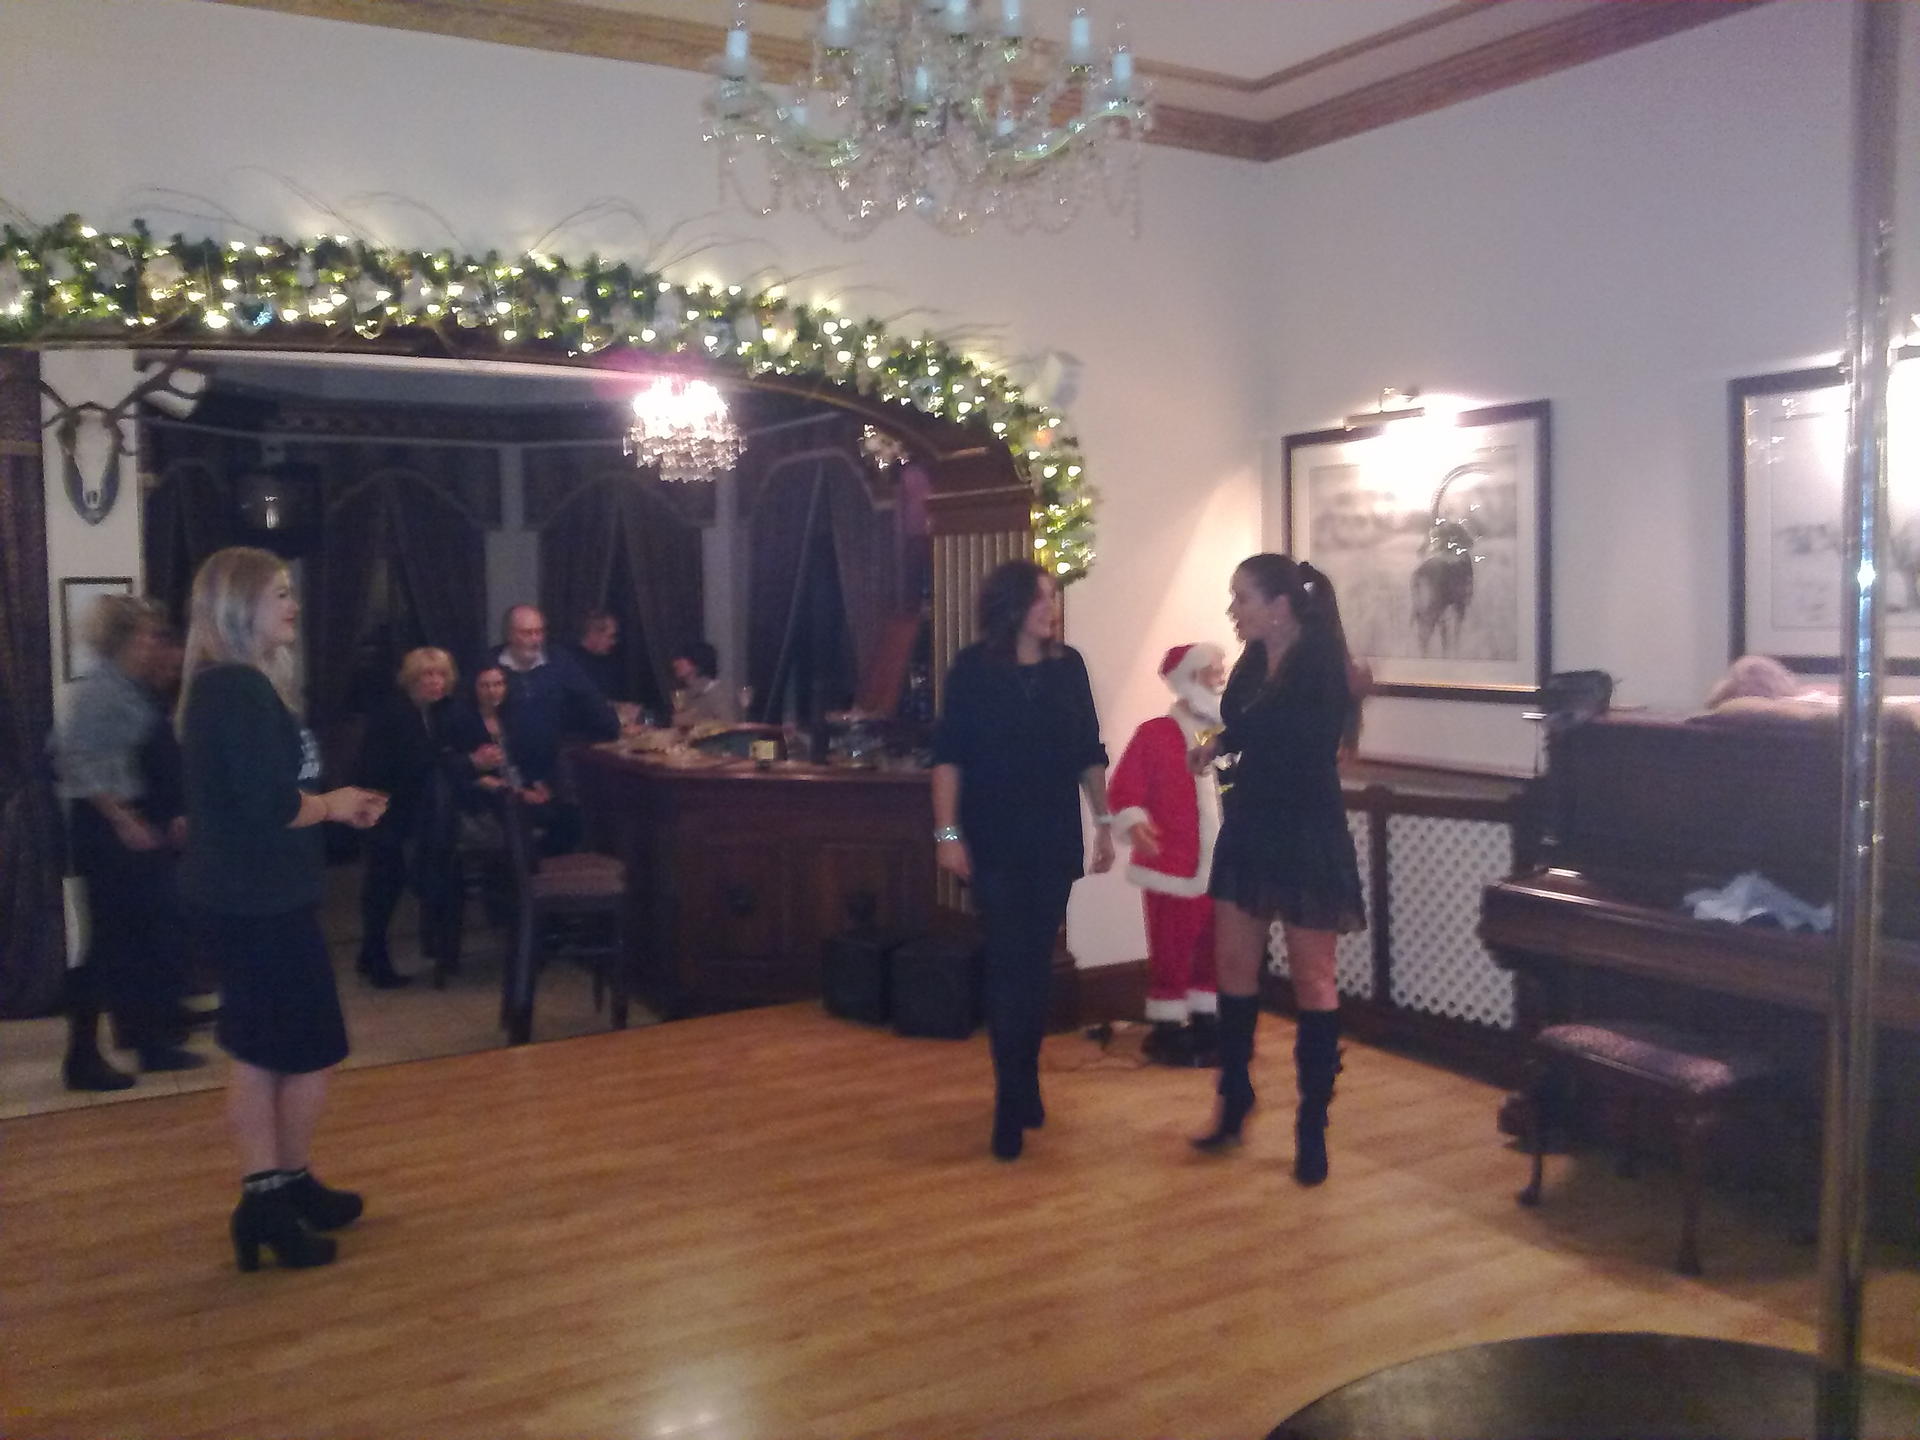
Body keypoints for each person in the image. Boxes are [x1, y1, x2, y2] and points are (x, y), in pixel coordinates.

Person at [178, 546, 388, 1271]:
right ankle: (267, 1195)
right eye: (279, 593)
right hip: (255, 900)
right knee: (287, 1049)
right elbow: (268, 804)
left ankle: (286, 1185)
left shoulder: (237, 686)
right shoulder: (234, 688)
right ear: (240, 607)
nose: (293, 604)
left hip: (261, 896)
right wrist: (336, 804)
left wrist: (331, 806)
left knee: (277, 1046)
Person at [1188, 553, 1365, 1186]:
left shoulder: (1321, 666)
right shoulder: (1251, 662)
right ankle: (1234, 1098)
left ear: (1280, 606)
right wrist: (1215, 747)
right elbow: (1243, 731)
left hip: (1306, 831)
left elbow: (1295, 743)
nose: (1233, 611)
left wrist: (1237, 744)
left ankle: (1312, 1126)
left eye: (1243, 598)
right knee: (1234, 967)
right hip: (1252, 828)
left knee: (1313, 980)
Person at [931, 560, 1113, 1161]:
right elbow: (949, 757)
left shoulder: (1069, 668)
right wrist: (947, 834)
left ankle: (1025, 1080)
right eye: (1041, 598)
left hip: (1052, 837)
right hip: (993, 837)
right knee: (1008, 966)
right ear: (1012, 605)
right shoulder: (972, 670)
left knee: (1034, 965)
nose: (1050, 609)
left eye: (1053, 598)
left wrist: (1105, 822)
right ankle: (1010, 1102)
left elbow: (1089, 751)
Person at [53, 595, 202, 1088]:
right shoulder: (102, 690)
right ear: (122, 638)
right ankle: (82, 1057)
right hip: (108, 833)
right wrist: (122, 820)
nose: (151, 644)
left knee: (144, 936)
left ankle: (149, 1041)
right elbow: (76, 762)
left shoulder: (130, 688)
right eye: (144, 635)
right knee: (111, 943)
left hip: (130, 826)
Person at [1108, 642, 1227, 1068]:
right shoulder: (1155, 734)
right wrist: (1133, 822)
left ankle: (1207, 1015)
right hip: (1172, 862)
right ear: (1190, 678)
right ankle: (1169, 1023)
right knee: (1172, 945)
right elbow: (1125, 788)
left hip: (1223, 865)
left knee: (1214, 944)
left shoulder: (1229, 736)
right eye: (1213, 669)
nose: (1222, 676)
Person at [353, 647, 462, 989]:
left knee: (386, 883)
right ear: (413, 679)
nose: (436, 681)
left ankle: (370, 953)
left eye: (441, 675)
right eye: (428, 675)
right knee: (383, 885)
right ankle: (376, 960)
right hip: (383, 807)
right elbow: (408, 765)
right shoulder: (397, 713)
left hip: (397, 807)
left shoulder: (429, 712)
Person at [495, 605, 620, 852]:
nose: (535, 640)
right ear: (509, 634)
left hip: (549, 771)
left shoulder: (558, 660)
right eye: (527, 633)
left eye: (539, 632)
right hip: (505, 772)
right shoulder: (491, 665)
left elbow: (591, 700)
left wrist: (613, 729)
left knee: (576, 823)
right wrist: (517, 782)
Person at [670, 639, 737, 729]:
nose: (675, 664)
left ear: (697, 661)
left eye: (681, 659)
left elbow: (729, 727)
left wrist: (695, 722)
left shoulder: (715, 692)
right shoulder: (684, 695)